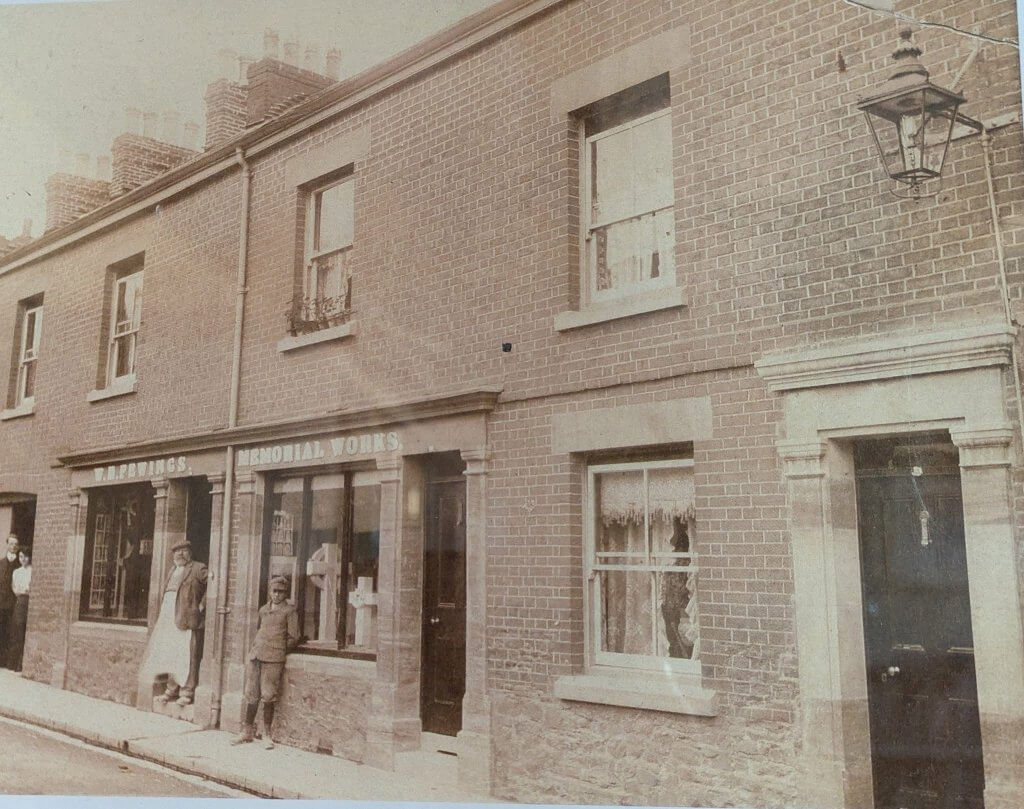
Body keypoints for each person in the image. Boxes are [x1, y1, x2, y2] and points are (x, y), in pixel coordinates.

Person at [232, 576, 298, 749]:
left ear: (285, 593)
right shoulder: (263, 610)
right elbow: (260, 629)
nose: (277, 595)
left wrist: (279, 650)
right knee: (251, 694)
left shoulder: (289, 611)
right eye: (274, 591)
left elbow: (294, 637)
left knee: (268, 695)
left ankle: (266, 734)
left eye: (281, 592)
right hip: (256, 656)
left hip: (273, 659)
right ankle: (247, 731)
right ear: (270, 591)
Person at [140, 541, 208, 707]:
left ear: (190, 553)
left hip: (187, 620)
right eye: (177, 552)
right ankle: (171, 690)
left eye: (184, 551)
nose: (180, 554)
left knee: (188, 655)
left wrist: (202, 604)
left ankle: (187, 692)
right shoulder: (171, 570)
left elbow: (213, 584)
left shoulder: (198, 568)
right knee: (172, 654)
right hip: (169, 619)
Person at [7, 546, 31, 671]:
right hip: (19, 601)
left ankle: (21, 663)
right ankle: (13, 662)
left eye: (26, 557)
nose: (23, 559)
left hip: (27, 601)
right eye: (21, 556)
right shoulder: (16, 572)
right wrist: (20, 590)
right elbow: (14, 588)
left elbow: (30, 589)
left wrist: (25, 590)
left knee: (23, 629)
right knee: (16, 629)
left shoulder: (32, 571)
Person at [0, 535, 21, 665]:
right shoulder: (1, 563)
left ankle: (8, 661)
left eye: (15, 544)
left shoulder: (19, 564)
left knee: (10, 631)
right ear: (7, 544)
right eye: (11, 544)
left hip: (13, 604)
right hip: (0, 603)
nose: (13, 546)